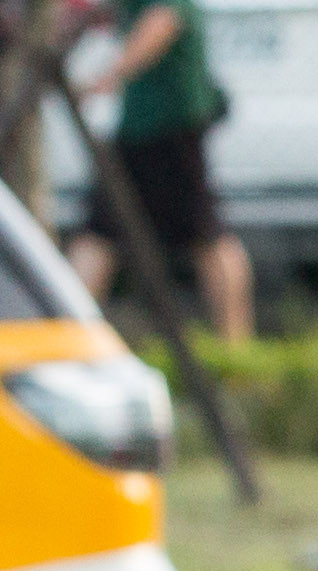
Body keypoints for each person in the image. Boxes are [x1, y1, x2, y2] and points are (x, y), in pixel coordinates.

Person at [66, 0, 252, 349]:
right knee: (99, 231)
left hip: (169, 129)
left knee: (207, 236)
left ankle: (237, 347)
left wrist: (105, 78)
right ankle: (71, 338)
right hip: (139, 130)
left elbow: (163, 22)